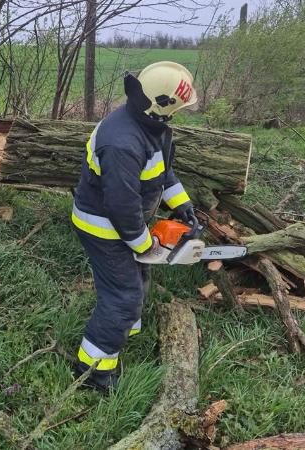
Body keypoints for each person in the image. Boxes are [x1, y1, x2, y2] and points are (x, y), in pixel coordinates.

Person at [71, 61, 198, 392]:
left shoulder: (151, 128)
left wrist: (181, 204)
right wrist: (145, 245)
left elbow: (162, 172)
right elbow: (121, 207)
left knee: (138, 276)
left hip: (126, 220)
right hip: (103, 226)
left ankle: (124, 329)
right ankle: (93, 372)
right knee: (123, 297)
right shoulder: (122, 142)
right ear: (160, 105)